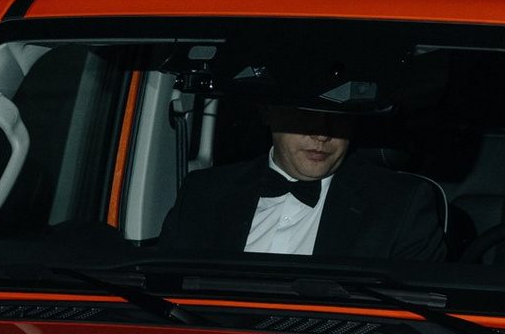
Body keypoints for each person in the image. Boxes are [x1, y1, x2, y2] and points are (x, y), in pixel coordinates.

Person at [156, 105, 445, 261]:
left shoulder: (400, 205)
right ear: (267, 111)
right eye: (305, 113)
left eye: (337, 115)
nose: (322, 133)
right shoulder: (204, 192)